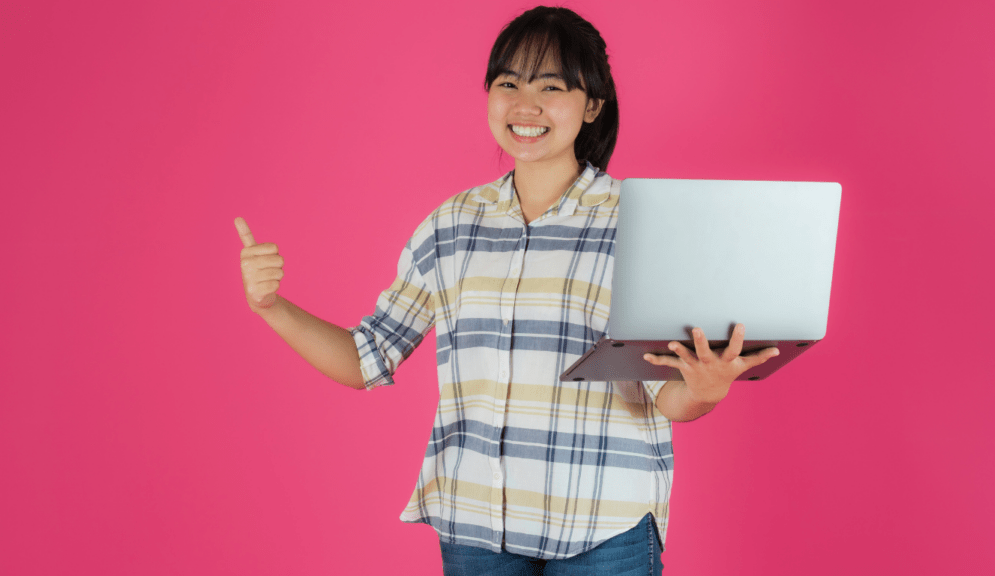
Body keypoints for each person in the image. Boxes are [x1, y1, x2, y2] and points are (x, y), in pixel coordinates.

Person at [235, 6, 778, 575]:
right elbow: (367, 356)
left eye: (551, 86)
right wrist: (272, 308)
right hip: (477, 526)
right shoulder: (448, 228)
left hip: (604, 526)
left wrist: (706, 389)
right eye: (509, 83)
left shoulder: (639, 225)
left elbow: (667, 398)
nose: (526, 105)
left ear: (592, 104)